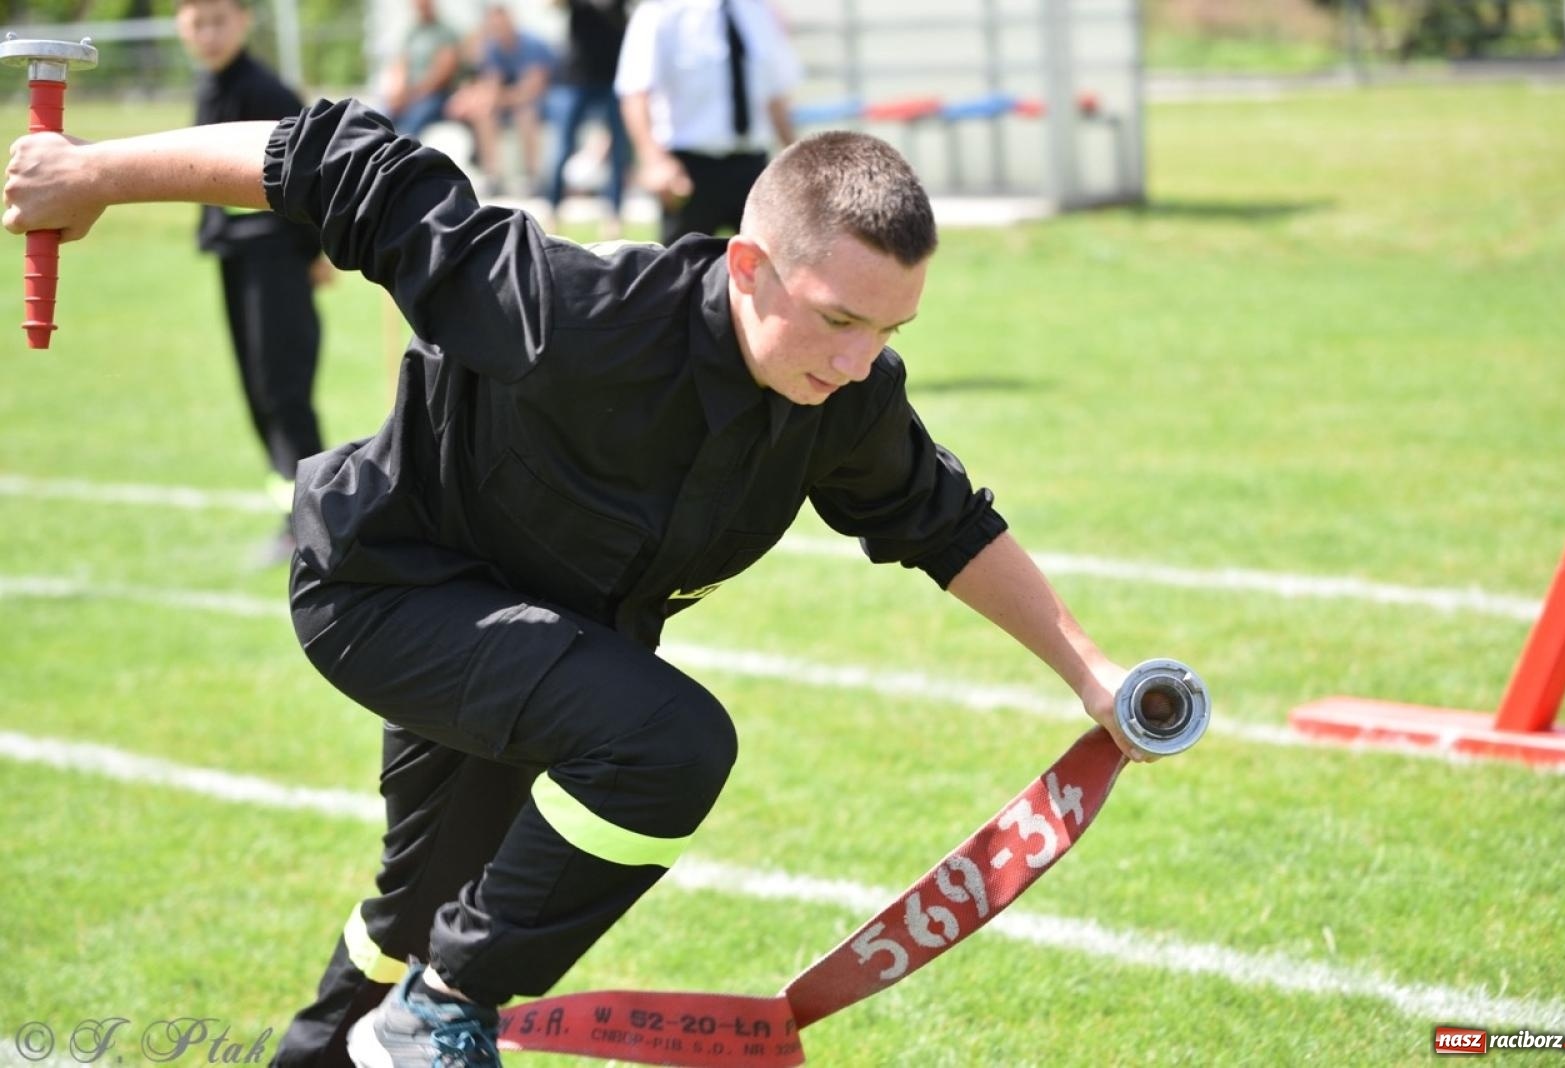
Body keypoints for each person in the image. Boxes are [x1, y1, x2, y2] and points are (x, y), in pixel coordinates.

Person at [4, 99, 1162, 1068]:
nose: (860, 361)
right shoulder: (568, 313)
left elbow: (943, 521)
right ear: (748, 266)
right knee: (668, 744)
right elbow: (336, 159)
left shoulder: (845, 396)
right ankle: (446, 1015)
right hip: (384, 593)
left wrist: (1091, 675)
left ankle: (383, 1021)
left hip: (539, 645)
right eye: (839, 321)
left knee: (418, 916)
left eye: (889, 330)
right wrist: (95, 172)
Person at [174, 0, 329, 564]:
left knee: (282, 392)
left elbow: (313, 175)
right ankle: (293, 519)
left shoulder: (266, 92)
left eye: (219, 20)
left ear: (243, 20)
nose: (209, 34)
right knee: (259, 396)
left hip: (276, 262)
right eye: (197, 22)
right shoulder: (212, 86)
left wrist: (316, 251)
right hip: (237, 261)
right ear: (180, 26)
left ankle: (311, 525)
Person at [616, 0, 801, 245]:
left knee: (771, 266)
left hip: (753, 167)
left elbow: (774, 96)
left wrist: (796, 160)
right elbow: (635, 92)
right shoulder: (661, 12)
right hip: (689, 172)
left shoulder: (759, 11)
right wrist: (654, 161)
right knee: (679, 275)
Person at [444, 5, 557, 197]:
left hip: (544, 101)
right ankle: (492, 176)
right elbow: (491, 86)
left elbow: (532, 90)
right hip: (511, 103)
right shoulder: (493, 49)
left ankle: (532, 177)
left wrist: (501, 97)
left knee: (525, 114)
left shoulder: (532, 45)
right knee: (484, 114)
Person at [545, 0, 632, 236]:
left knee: (618, 153)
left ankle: (614, 215)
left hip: (615, 76)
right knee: (562, 149)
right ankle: (552, 210)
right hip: (577, 78)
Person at [380, 0, 461, 138]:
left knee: (413, 121)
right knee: (382, 117)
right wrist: (399, 93)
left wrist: (415, 94)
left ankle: (402, 154)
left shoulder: (445, 32)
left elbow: (443, 73)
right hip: (411, 94)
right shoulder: (412, 32)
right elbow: (401, 64)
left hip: (435, 95)